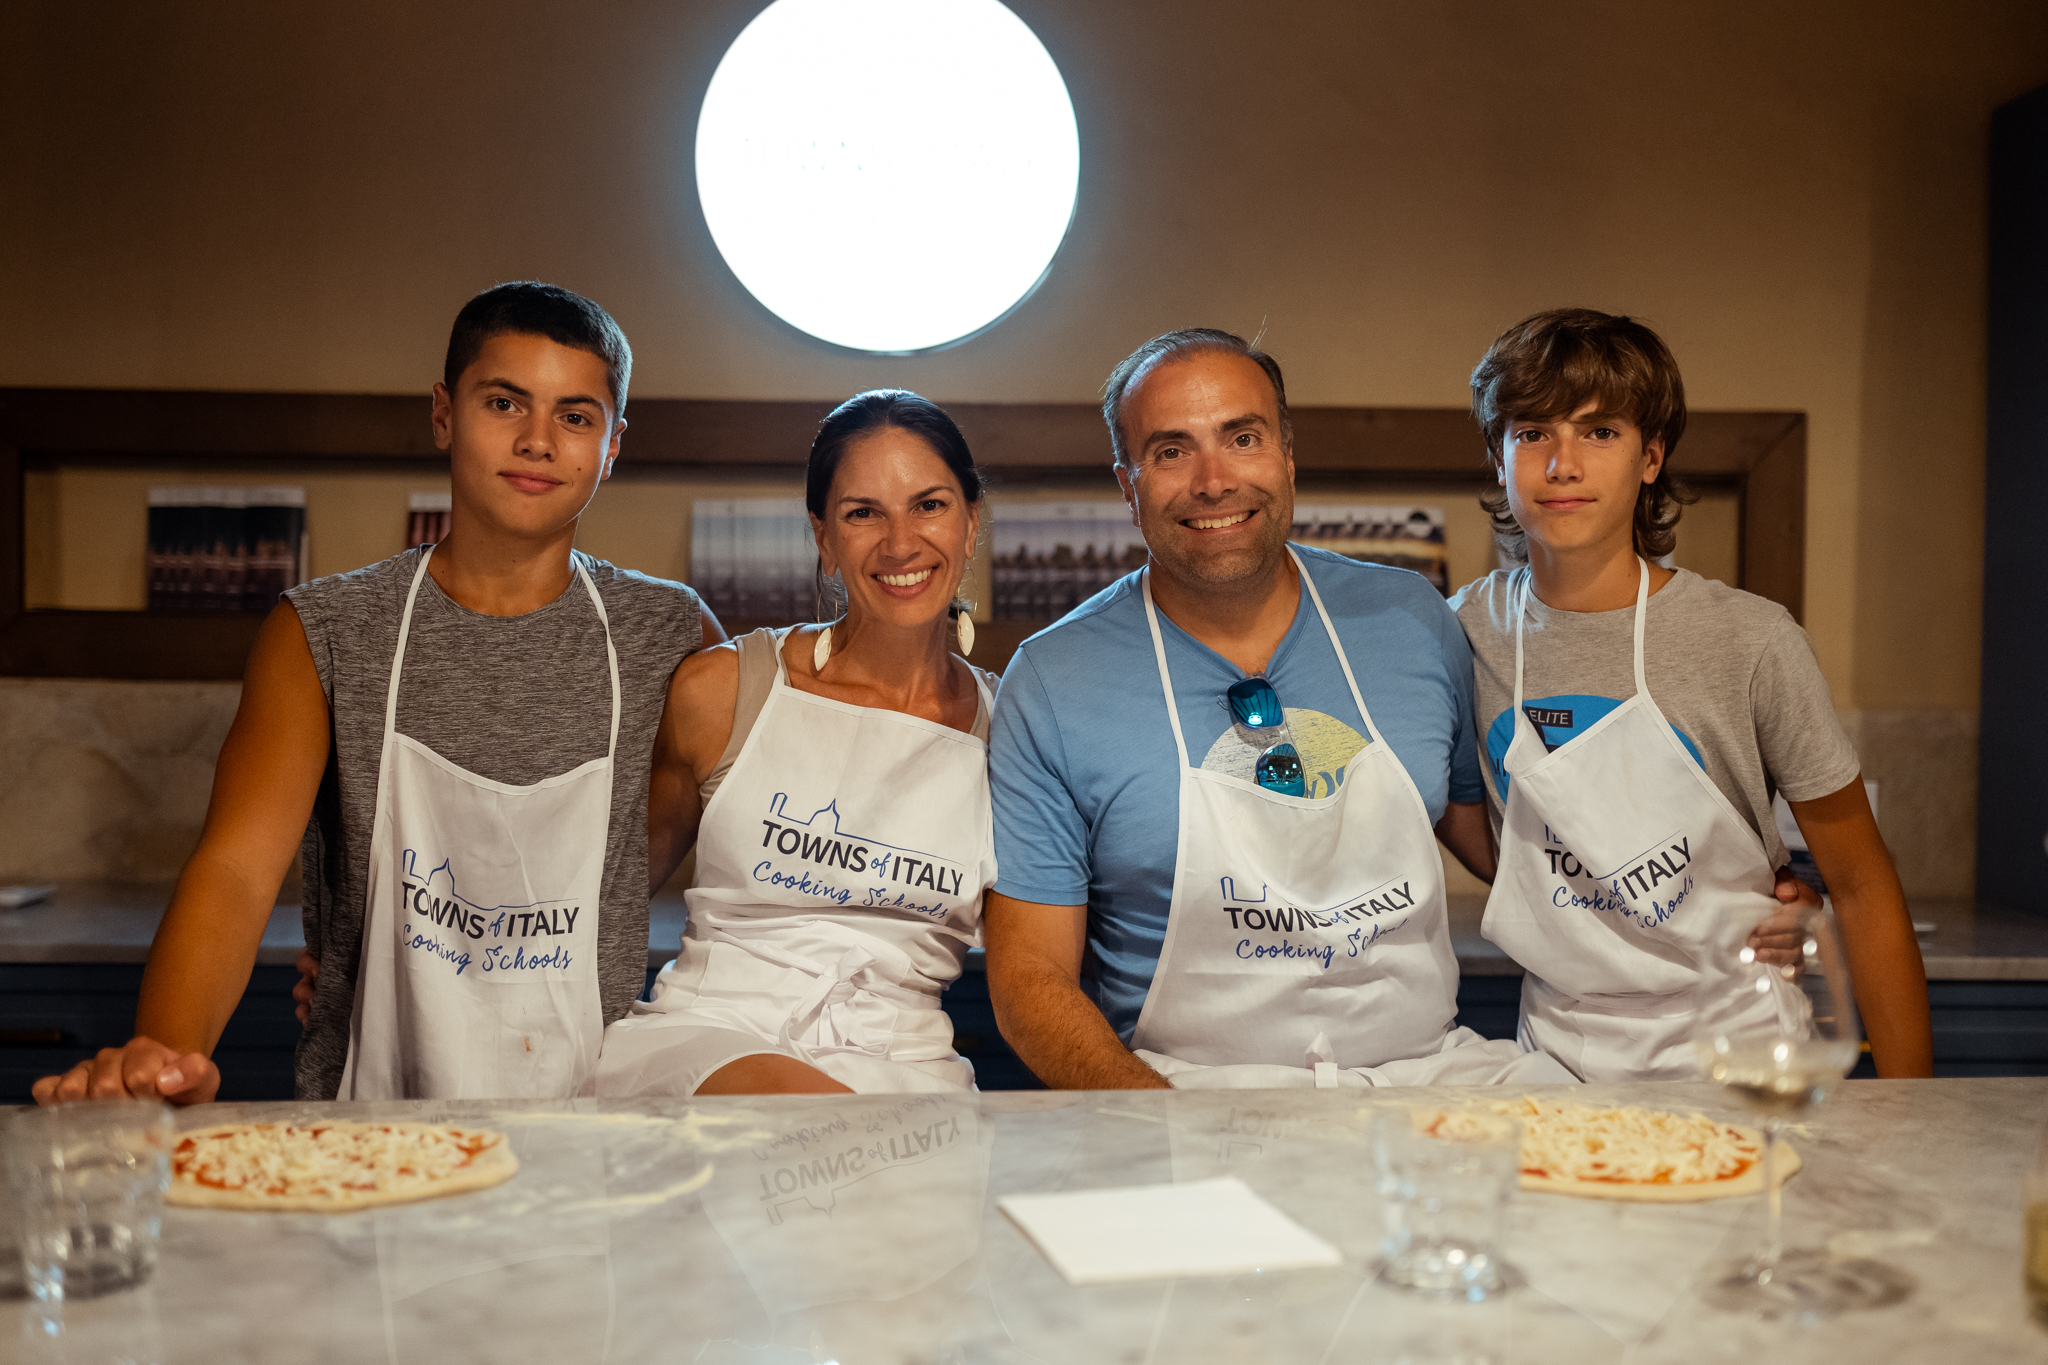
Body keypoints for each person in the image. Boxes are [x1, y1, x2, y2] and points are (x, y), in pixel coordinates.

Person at [33, 281, 718, 1104]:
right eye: (504, 402)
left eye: (575, 416)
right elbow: (236, 872)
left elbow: (665, 864)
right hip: (366, 1129)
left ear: (611, 446)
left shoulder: (671, 635)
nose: (537, 440)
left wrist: (483, 946)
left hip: (597, 1127)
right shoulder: (324, 631)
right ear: (443, 414)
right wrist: (165, 1054)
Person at [981, 328, 1576, 1089]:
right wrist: (1161, 1124)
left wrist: (1695, 901)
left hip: (1423, 1083)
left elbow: (1502, 847)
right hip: (1187, 1095)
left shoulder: (1410, 620)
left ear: (1287, 458)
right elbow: (1029, 983)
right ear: (1129, 487)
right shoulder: (1054, 680)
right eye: (1171, 451)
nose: (1214, 481)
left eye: (1243, 438)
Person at [1452, 307, 1933, 1080]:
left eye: (1599, 431)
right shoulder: (1461, 634)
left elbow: (1862, 882)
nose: (1563, 464)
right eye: (1533, 432)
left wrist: (1912, 1113)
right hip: (1556, 1062)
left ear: (1651, 457)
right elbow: (1477, 820)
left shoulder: (1751, 640)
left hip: (1741, 1054)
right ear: (1499, 459)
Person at [594, 390, 998, 1096]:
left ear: (971, 524)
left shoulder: (1014, 731)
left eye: (929, 505)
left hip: (908, 1071)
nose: (900, 543)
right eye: (863, 512)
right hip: (712, 1044)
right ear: (824, 537)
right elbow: (607, 901)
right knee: (813, 1117)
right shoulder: (725, 690)